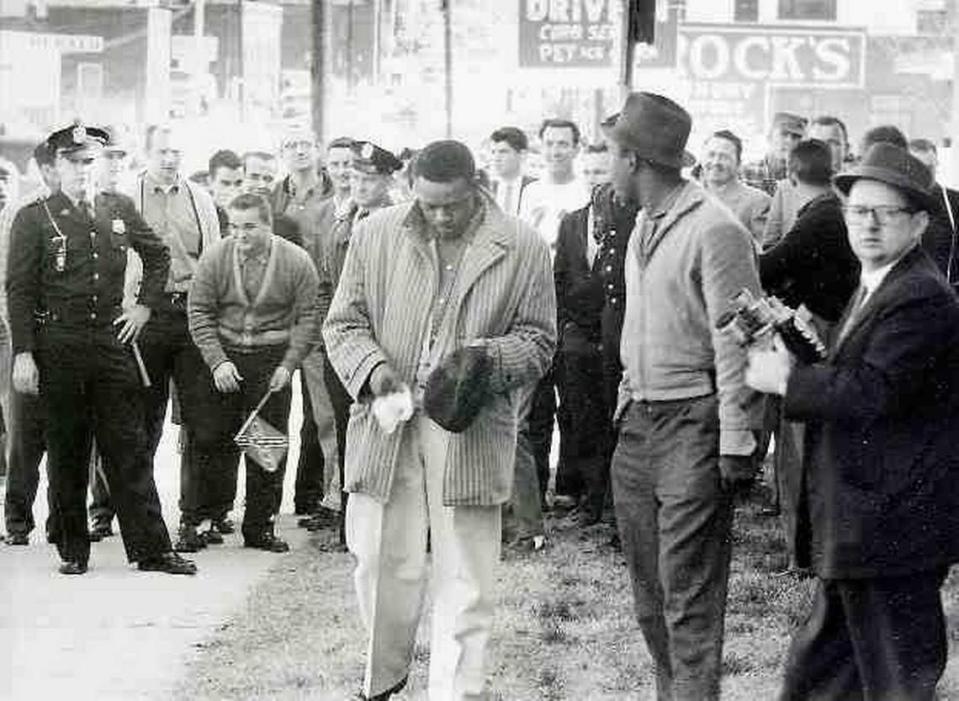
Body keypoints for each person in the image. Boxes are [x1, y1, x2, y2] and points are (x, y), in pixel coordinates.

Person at [324, 139, 555, 700]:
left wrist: (487, 360)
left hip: (468, 425)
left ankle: (457, 692)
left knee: (466, 574)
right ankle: (381, 681)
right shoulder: (375, 233)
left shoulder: (522, 246)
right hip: (387, 420)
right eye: (430, 205)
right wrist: (374, 370)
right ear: (412, 189)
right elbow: (343, 323)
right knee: (378, 557)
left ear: (477, 188)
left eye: (453, 204)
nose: (442, 215)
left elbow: (540, 341)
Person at [746, 143, 959, 700]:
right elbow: (865, 377)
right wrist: (801, 354)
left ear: (917, 223)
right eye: (857, 210)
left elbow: (875, 390)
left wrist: (787, 382)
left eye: (884, 213)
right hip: (865, 523)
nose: (867, 223)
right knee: (820, 678)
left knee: (894, 680)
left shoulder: (920, 296)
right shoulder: (879, 283)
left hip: (892, 529)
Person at [606, 93, 762, 700]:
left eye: (611, 153)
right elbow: (644, 324)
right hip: (640, 425)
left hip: (694, 428)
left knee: (687, 601)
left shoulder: (716, 229)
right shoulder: (643, 224)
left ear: (634, 160)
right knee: (651, 600)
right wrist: (627, 390)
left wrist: (735, 436)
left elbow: (740, 342)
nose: (607, 164)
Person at [7, 123, 195, 575]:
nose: (83, 171)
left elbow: (158, 255)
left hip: (110, 342)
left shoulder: (117, 207)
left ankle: (152, 548)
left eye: (90, 162)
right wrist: (24, 353)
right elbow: (19, 291)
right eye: (73, 163)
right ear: (53, 168)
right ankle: (73, 550)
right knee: (68, 448)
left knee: (127, 446)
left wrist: (145, 307)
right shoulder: (34, 217)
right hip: (59, 344)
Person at [188, 192, 320, 553]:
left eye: (250, 227)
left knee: (265, 445)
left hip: (271, 360)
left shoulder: (296, 262)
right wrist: (217, 361)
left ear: (268, 226)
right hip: (225, 357)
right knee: (210, 439)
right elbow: (199, 311)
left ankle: (259, 527)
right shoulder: (216, 256)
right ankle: (204, 520)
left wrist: (288, 365)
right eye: (234, 226)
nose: (241, 235)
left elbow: (309, 316)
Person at [758, 139, 860, 574]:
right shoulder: (838, 211)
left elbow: (767, 268)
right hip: (837, 334)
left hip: (810, 335)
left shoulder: (816, 217)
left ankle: (803, 555)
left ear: (790, 175)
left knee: (796, 447)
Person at [301, 141, 402, 536]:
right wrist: (329, 336)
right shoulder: (343, 222)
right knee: (346, 433)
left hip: (386, 346)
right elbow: (325, 285)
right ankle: (350, 524)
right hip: (342, 346)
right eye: (355, 176)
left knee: (390, 431)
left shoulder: (400, 222)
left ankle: (391, 523)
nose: (360, 184)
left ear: (388, 179)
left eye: (370, 177)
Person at [128, 124, 221, 552]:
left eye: (177, 152)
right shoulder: (128, 198)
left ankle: (193, 518)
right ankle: (136, 519)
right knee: (140, 421)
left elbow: (214, 261)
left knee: (201, 422)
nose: (170, 159)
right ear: (147, 153)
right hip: (143, 317)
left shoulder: (201, 201)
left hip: (190, 315)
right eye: (163, 151)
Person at [518, 118, 589, 512]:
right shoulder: (532, 191)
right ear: (540, 147)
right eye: (550, 143)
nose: (557, 149)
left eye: (564, 143)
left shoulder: (583, 190)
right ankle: (535, 484)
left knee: (572, 400)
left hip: (569, 299)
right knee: (537, 402)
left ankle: (569, 483)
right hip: (535, 297)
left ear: (576, 148)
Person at [271, 126, 338, 522]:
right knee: (269, 411)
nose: (299, 151)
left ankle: (329, 499)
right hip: (275, 318)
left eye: (305, 145)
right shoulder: (272, 198)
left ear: (318, 151)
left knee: (324, 416)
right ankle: (264, 502)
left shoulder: (333, 201)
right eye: (290, 144)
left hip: (318, 316)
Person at [2, 141, 56, 545]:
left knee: (71, 435)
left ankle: (64, 521)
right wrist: (22, 344)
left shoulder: (93, 208)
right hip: (28, 333)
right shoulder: (23, 212)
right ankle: (18, 521)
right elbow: (12, 284)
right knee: (24, 433)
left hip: (71, 337)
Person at [701, 129, 771, 244]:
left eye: (724, 157)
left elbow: (763, 253)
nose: (716, 162)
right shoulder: (687, 196)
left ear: (738, 164)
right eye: (711, 155)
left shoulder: (758, 202)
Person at [909, 137, 959, 285]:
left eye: (929, 168)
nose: (924, 175)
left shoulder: (954, 203)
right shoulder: (895, 203)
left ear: (937, 165)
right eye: (918, 168)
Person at [242, 150, 302, 246]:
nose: (261, 185)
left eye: (268, 179)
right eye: (254, 177)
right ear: (242, 178)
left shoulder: (286, 228)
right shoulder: (224, 219)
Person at [743, 111, 807, 196]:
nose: (789, 141)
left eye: (795, 137)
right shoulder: (747, 172)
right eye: (784, 134)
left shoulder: (805, 177)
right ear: (769, 136)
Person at [488, 126, 535, 216]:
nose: (496, 158)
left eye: (503, 152)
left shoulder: (535, 188)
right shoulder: (487, 191)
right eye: (493, 152)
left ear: (522, 155)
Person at [207, 149, 244, 232]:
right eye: (225, 183)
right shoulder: (202, 213)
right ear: (210, 182)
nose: (233, 190)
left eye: (238, 183)